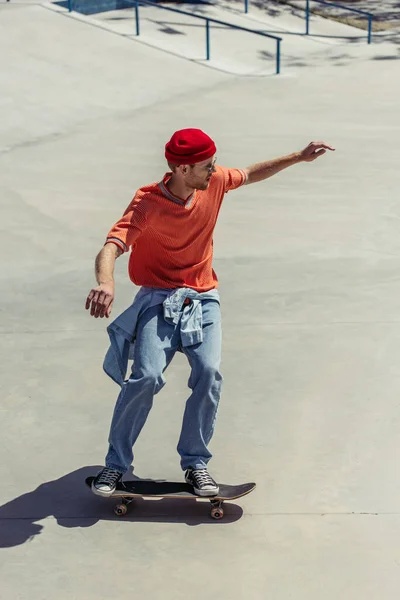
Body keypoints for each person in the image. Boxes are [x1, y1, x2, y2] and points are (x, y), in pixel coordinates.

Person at [85, 128, 334, 497]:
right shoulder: (147, 203)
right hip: (158, 298)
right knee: (147, 376)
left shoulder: (213, 181)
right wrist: (106, 282)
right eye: (206, 165)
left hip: (202, 297)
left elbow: (249, 173)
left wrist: (298, 157)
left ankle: (195, 464)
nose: (214, 169)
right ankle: (115, 465)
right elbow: (112, 245)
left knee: (209, 372)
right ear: (183, 169)